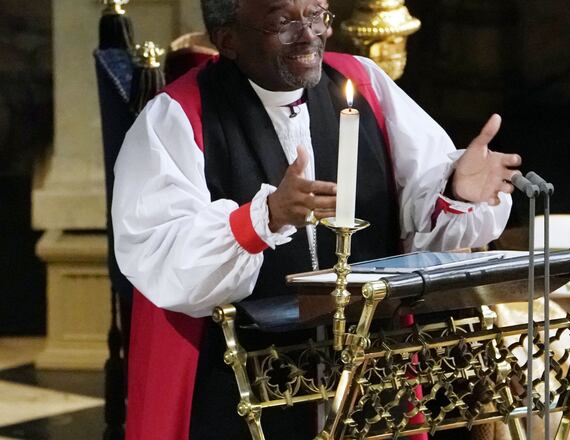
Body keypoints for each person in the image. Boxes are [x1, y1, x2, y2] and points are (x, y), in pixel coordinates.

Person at [111, 0, 522, 438]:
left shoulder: (362, 83)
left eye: (316, 14)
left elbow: (418, 210)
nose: (309, 34)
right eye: (283, 21)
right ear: (227, 39)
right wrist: (262, 218)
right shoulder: (176, 115)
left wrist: (458, 188)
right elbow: (160, 254)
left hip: (365, 367)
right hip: (239, 382)